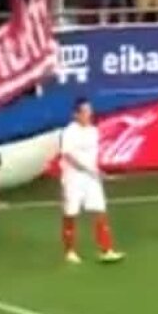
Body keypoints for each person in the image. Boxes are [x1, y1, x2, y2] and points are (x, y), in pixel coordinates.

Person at [59, 98, 124, 264]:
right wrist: (86, 169)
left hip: (92, 179)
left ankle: (106, 250)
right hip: (73, 179)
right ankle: (69, 251)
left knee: (100, 211)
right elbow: (68, 155)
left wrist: (96, 171)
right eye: (86, 111)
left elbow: (91, 157)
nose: (89, 114)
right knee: (71, 213)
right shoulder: (69, 132)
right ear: (76, 114)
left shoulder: (93, 131)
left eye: (90, 110)